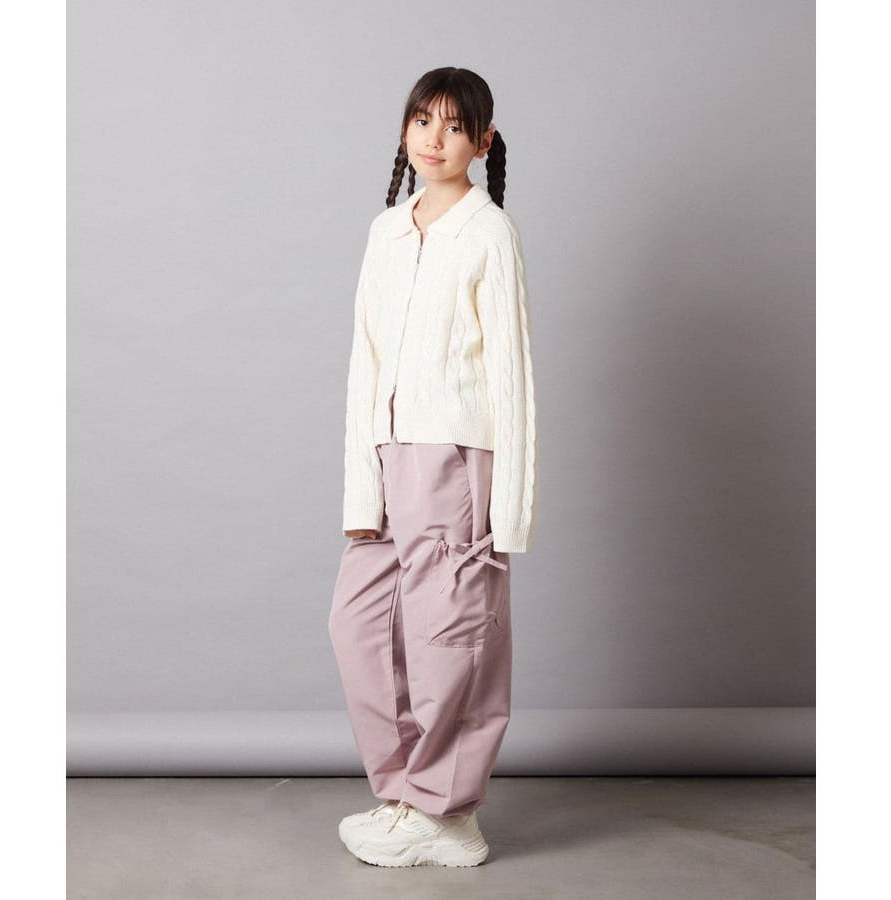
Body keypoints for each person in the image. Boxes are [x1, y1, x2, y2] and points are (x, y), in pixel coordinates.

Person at [328, 66, 538, 868]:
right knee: (363, 625)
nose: (435, 138)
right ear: (404, 129)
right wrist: (362, 489)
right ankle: (405, 796)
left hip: (457, 458)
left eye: (454, 126)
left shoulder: (489, 233)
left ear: (482, 143)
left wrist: (508, 512)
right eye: (423, 120)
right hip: (388, 454)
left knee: (451, 636)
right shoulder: (386, 230)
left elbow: (512, 375)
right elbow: (365, 361)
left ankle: (449, 816)